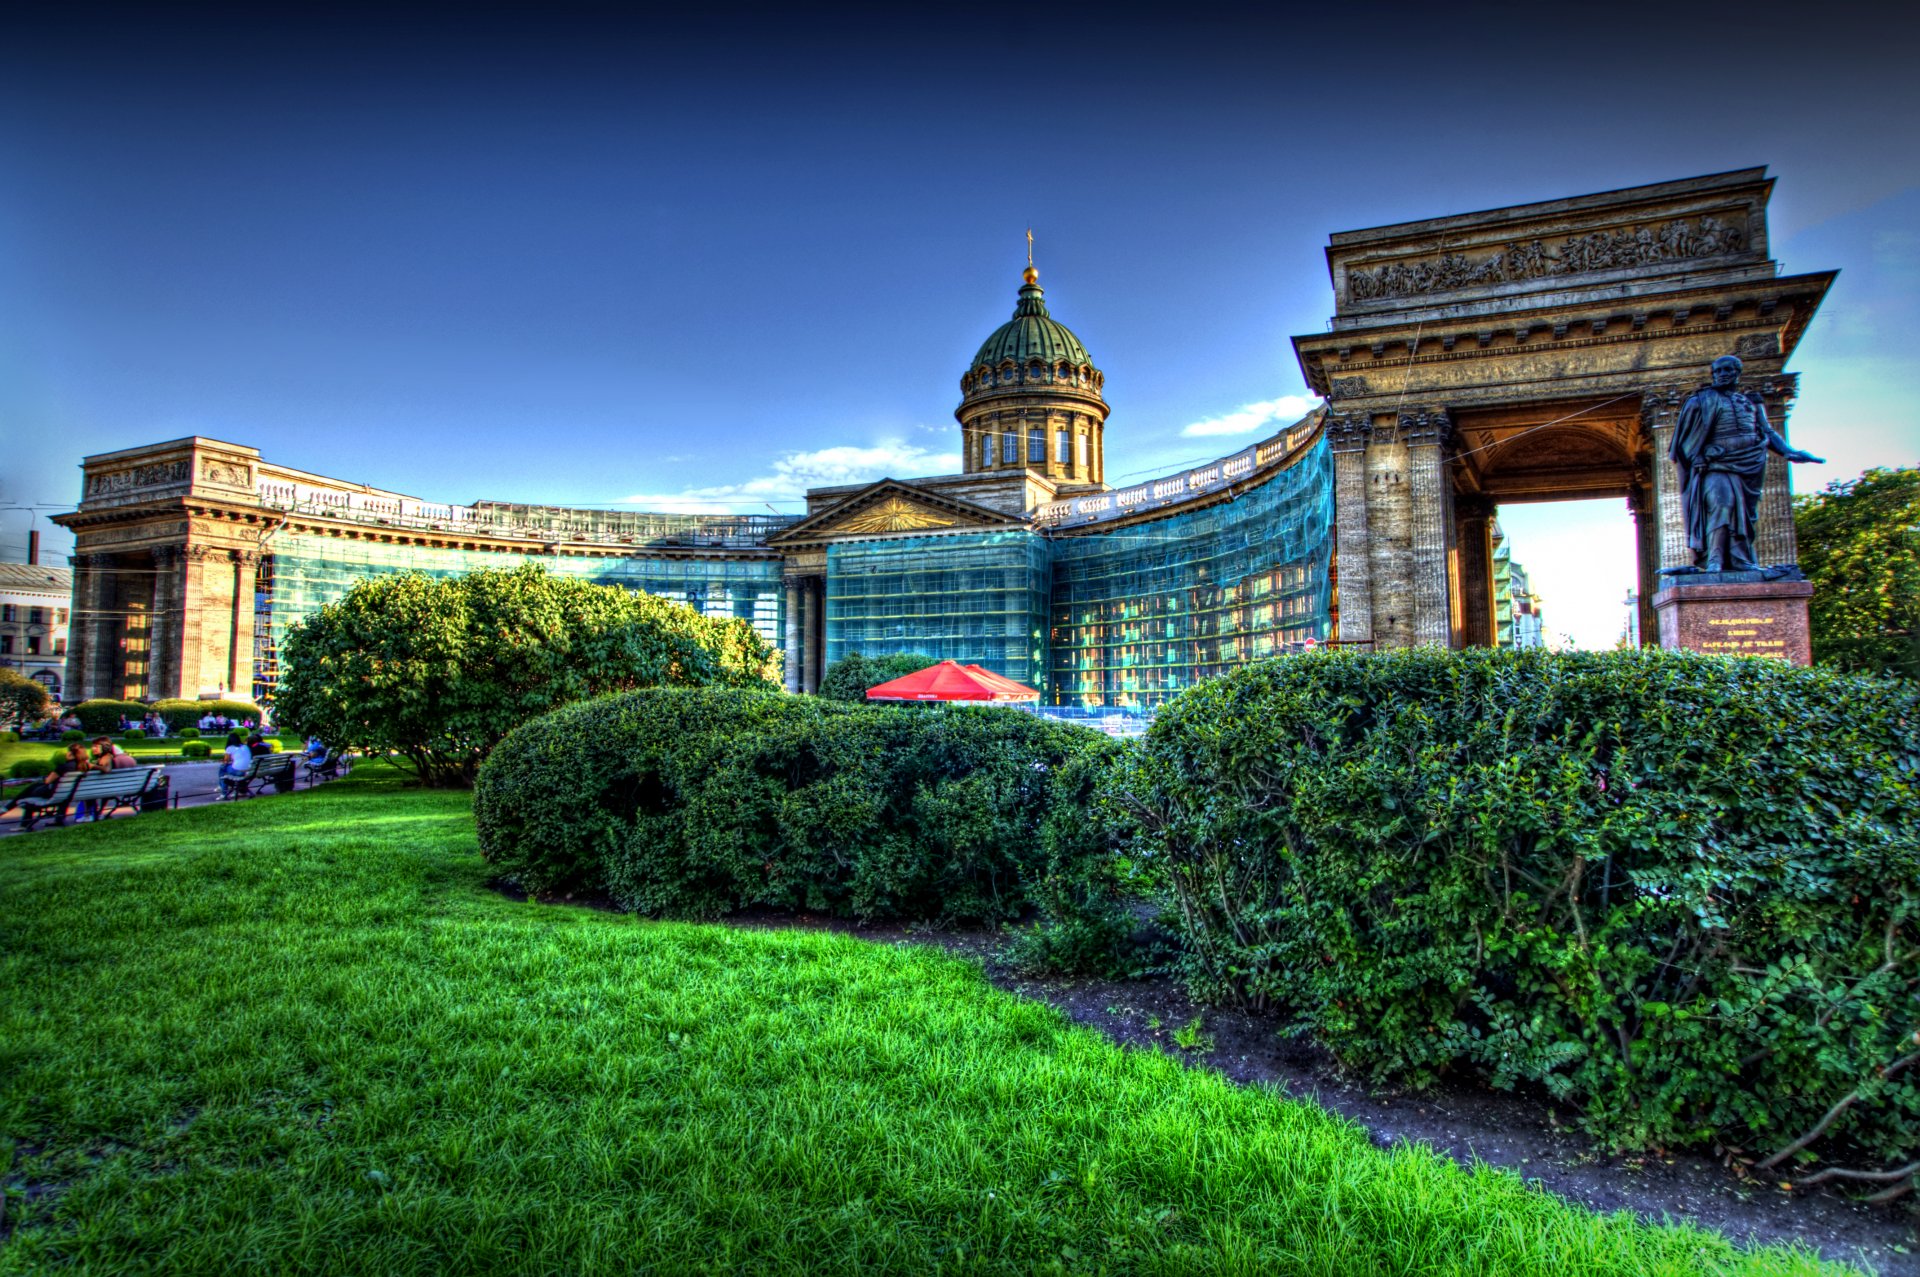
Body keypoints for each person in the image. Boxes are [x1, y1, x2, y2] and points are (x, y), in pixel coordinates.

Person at [1668, 353, 1824, 573]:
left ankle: (1741, 560)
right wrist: (1698, 455)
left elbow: (1767, 431)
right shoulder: (1699, 401)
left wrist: (1789, 452)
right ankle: (1714, 560)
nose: (1722, 375)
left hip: (1750, 464)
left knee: (1744, 517)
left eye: (1727, 370)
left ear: (1737, 373)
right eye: (1718, 371)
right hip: (1717, 464)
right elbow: (1682, 442)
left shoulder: (1751, 402)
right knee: (1721, 504)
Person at [218, 731, 253, 799]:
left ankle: (223, 791)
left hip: (239, 771)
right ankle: (242, 790)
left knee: (222, 768)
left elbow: (226, 761)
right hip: (249, 770)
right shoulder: (245, 746)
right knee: (226, 768)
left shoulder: (230, 748)